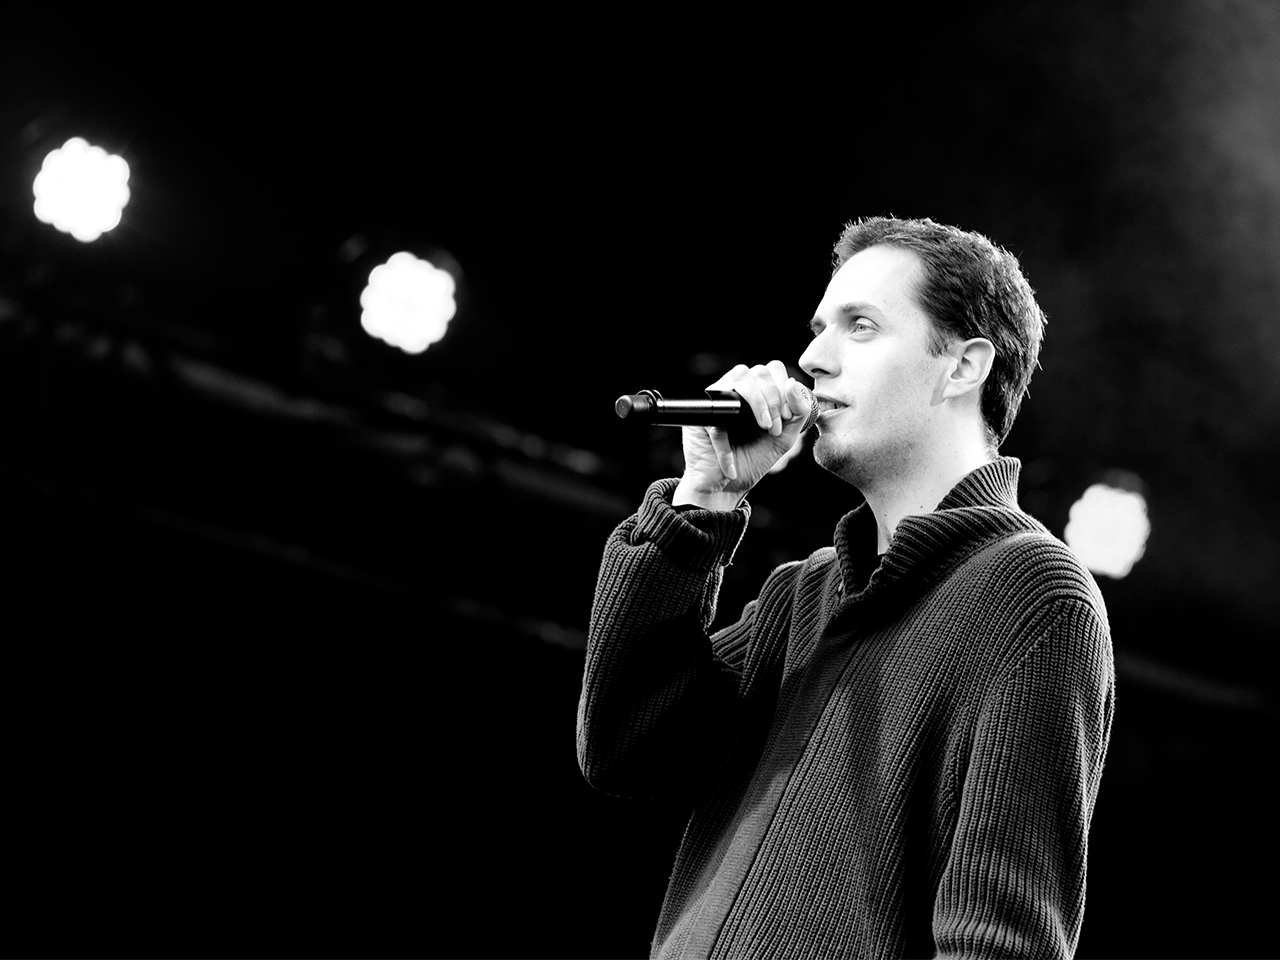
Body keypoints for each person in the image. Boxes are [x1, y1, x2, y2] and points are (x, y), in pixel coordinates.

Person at [576, 216, 1115, 959]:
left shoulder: (1031, 595)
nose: (810, 359)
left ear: (963, 367)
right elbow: (627, 750)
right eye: (818, 327)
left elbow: (1000, 941)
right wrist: (704, 499)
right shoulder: (804, 595)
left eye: (859, 327)